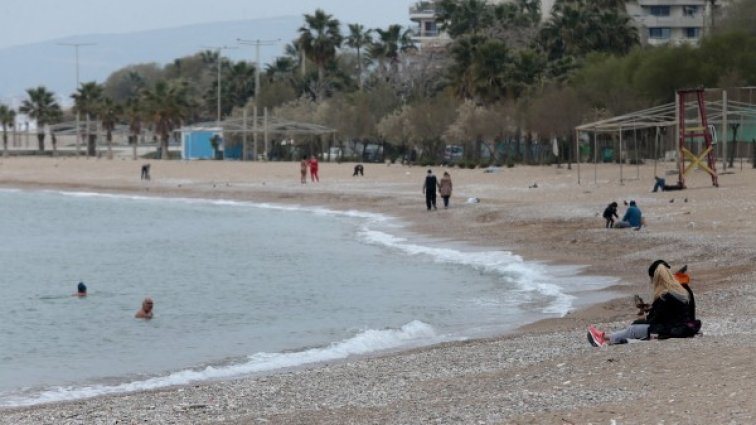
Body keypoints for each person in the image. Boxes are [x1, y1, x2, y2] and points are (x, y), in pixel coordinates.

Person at [587, 261, 700, 347]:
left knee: (634, 329)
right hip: (685, 326)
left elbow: (654, 320)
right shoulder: (683, 289)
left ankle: (604, 339)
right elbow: (685, 312)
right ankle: (611, 338)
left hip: (672, 330)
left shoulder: (664, 295)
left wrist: (645, 316)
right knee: (637, 325)